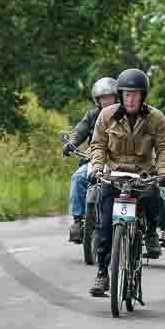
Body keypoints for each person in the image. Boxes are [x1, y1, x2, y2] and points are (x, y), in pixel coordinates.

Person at [87, 68, 165, 296]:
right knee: (104, 226)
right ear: (121, 95)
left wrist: (163, 172)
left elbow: (164, 148)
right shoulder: (106, 115)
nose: (131, 98)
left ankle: (151, 232)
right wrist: (97, 168)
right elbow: (97, 145)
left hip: (143, 176)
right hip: (113, 177)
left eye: (135, 94)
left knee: (154, 198)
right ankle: (103, 273)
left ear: (143, 96)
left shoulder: (156, 118)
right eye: (126, 94)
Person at [62, 77, 118, 243]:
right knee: (78, 178)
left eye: (109, 97)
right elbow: (80, 131)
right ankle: (78, 222)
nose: (106, 101)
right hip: (94, 157)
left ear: (116, 97)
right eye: (103, 98)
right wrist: (71, 143)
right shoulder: (92, 115)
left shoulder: (125, 114)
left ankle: (133, 224)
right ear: (97, 100)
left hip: (119, 160)